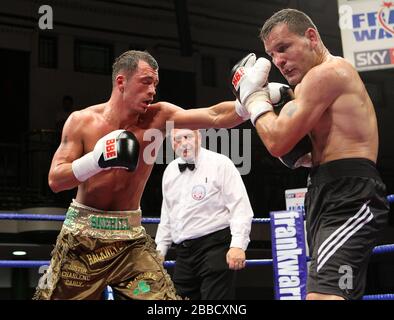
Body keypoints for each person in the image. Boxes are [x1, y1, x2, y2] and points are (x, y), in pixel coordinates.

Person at [33, 50, 245, 300]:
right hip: (83, 237)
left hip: (130, 243)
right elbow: (56, 180)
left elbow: (215, 115)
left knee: (161, 302)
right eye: (146, 82)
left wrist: (255, 100)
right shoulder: (81, 122)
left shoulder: (159, 117)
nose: (152, 90)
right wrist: (96, 160)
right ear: (121, 82)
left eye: (155, 84)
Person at [230, 9, 389, 300]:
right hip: (325, 192)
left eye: (283, 48)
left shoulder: (327, 73)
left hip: (349, 195)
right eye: (272, 53)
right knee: (337, 293)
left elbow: (276, 141)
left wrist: (254, 99)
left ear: (311, 37)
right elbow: (287, 148)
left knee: (322, 296)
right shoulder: (304, 88)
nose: (278, 60)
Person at [155, 128, 253, 300]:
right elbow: (167, 216)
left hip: (215, 247)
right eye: (177, 139)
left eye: (188, 137)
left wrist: (238, 244)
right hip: (184, 254)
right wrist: (160, 250)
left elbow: (240, 206)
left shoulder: (220, 163)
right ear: (171, 143)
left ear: (199, 137)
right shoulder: (170, 171)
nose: (183, 142)